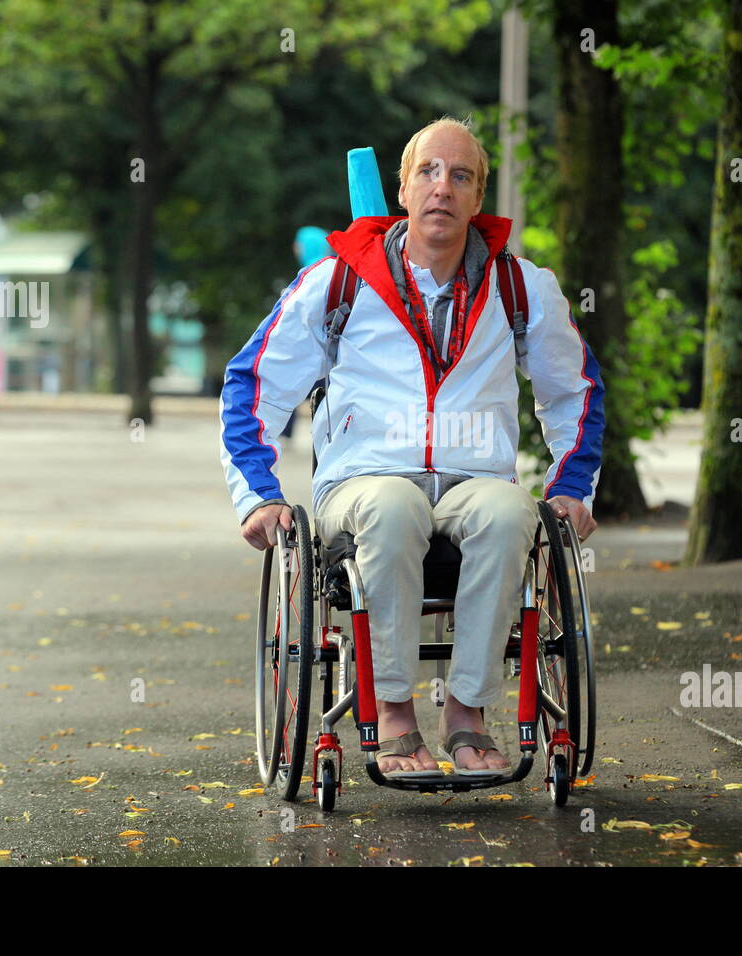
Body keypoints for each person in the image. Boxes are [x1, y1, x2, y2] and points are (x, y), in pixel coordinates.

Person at [219, 116, 604, 777]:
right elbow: (252, 385)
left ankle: (467, 713)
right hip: (362, 487)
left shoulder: (520, 288)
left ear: (479, 198)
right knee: (393, 505)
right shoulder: (339, 282)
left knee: (513, 511)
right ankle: (394, 715)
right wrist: (257, 494)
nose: (442, 188)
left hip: (469, 484)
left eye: (461, 176)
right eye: (427, 171)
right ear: (401, 188)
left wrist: (570, 488)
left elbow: (576, 393)